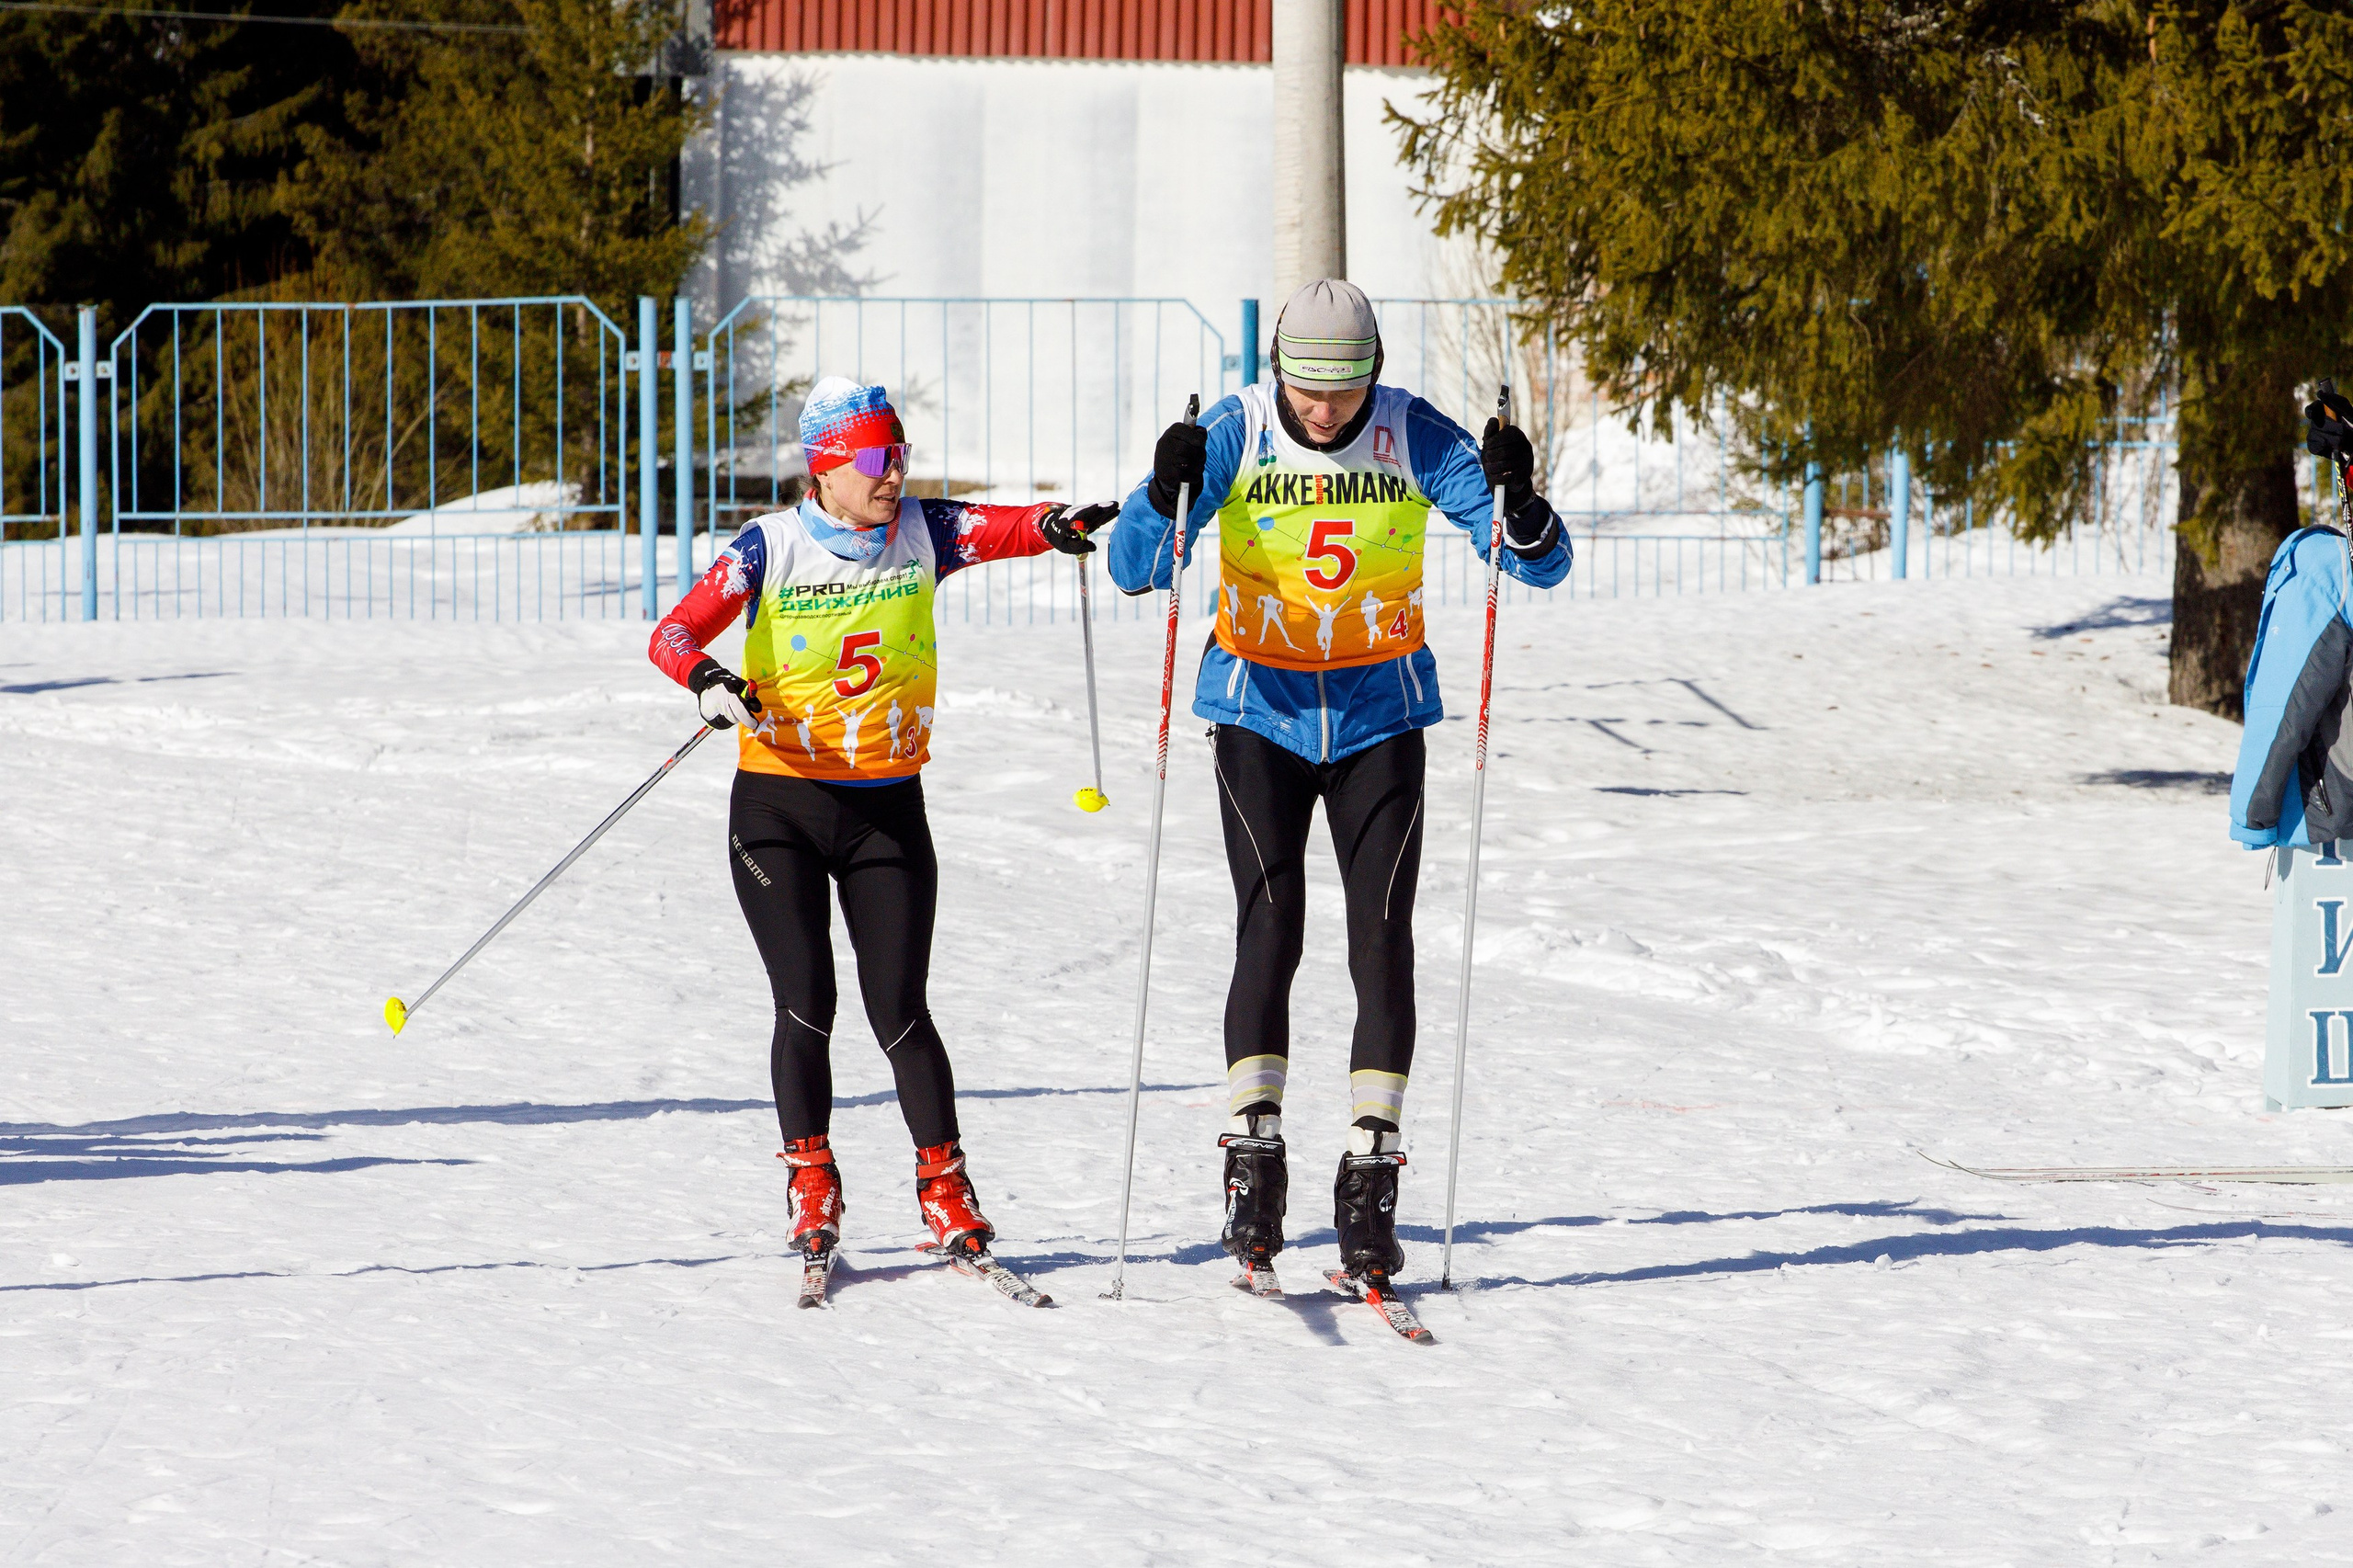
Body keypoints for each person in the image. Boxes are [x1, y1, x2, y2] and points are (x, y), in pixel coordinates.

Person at [1106, 278, 1572, 1291]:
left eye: (1347, 388)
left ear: (1376, 373)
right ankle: (1253, 1158)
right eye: (1309, 390)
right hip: (1259, 717)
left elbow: (1539, 566)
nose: (1326, 411)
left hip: (1379, 721)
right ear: (1278, 372)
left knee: (1381, 937)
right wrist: (1159, 490)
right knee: (1269, 922)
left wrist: (1520, 501)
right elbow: (1137, 571)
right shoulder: (1233, 431)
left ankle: (1370, 1176)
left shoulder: (1411, 433)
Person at [649, 377, 1114, 1274]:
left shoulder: (922, 534)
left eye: (899, 453)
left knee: (900, 1010)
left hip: (886, 806)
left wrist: (1059, 524)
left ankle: (945, 1189)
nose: (892, 473)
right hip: (779, 804)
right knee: (807, 1004)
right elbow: (672, 631)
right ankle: (811, 1177)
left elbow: (1011, 527)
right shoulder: (768, 546)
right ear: (826, 467)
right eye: (873, 458)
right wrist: (709, 679)